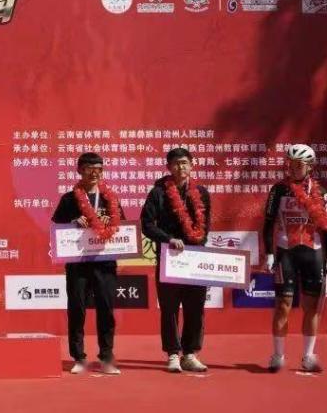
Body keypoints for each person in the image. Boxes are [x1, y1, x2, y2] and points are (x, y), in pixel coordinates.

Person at [263, 143, 327, 373]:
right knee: (282, 306)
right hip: (286, 251)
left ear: (310, 167)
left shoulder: (321, 192)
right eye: (290, 164)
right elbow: (268, 224)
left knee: (312, 307)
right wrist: (269, 253)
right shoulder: (278, 190)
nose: (293, 168)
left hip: (313, 253)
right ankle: (278, 355)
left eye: (299, 165)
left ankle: (308, 356)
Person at [51, 152, 124, 375]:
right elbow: (56, 226)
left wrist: (110, 222)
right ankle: (79, 357)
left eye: (99, 169)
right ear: (80, 170)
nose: (95, 173)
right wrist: (73, 222)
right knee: (77, 310)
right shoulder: (68, 199)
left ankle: (106, 357)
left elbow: (122, 225)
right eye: (90, 169)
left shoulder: (110, 198)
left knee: (106, 310)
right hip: (78, 264)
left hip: (105, 263)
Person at [141, 147, 211, 373]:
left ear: (192, 165)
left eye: (184, 163)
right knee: (169, 308)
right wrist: (168, 239)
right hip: (169, 258)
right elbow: (147, 225)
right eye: (176, 163)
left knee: (195, 307)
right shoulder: (158, 193)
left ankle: (190, 354)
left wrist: (199, 244)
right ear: (169, 167)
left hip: (195, 259)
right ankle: (172, 353)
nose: (181, 167)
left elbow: (206, 226)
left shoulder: (202, 193)